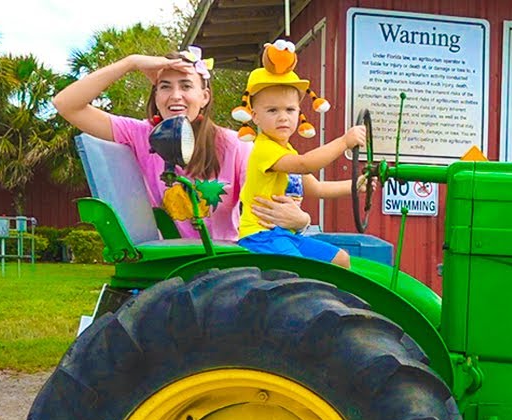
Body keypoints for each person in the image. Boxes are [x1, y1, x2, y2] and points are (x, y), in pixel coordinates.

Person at [52, 47, 354, 240]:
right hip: (170, 261)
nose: (175, 96)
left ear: (205, 96)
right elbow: (67, 104)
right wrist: (131, 62)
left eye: (186, 86)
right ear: (156, 96)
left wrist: (301, 221)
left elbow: (271, 200)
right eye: (164, 87)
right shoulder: (141, 134)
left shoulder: (234, 144)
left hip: (224, 260)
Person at [234, 66, 367, 268]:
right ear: (255, 116)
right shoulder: (264, 150)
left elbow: (317, 188)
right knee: (303, 270)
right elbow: (305, 164)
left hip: (285, 234)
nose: (283, 117)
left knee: (341, 259)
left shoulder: (287, 151)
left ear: (298, 112)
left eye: (289, 109)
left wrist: (355, 185)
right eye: (272, 110)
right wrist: (344, 141)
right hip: (260, 236)